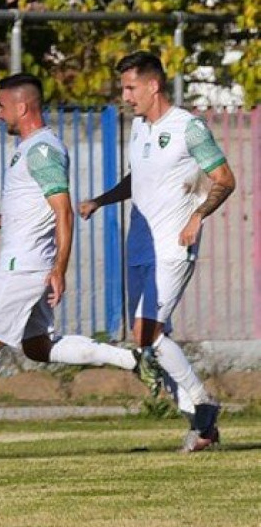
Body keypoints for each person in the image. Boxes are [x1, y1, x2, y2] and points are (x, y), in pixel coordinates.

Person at [0, 74, 157, 460]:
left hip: (23, 268)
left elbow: (62, 210)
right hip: (28, 264)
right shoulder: (32, 150)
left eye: (0, 107)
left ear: (22, 107)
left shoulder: (42, 151)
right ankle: (131, 359)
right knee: (38, 347)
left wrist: (59, 268)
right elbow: (35, 209)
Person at [78, 52, 235, 452]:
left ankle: (203, 404)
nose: (125, 97)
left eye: (130, 88)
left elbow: (224, 178)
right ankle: (204, 428)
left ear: (153, 86)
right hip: (140, 245)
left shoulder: (188, 128)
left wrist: (198, 215)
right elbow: (141, 178)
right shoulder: (140, 130)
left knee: (147, 332)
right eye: (123, 89)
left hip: (174, 245)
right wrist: (101, 200)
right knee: (148, 338)